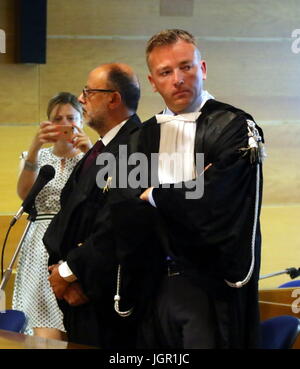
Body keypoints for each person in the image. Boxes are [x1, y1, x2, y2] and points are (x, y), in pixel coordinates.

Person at [135, 29, 266, 348]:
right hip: (152, 288)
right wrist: (189, 187)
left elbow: (214, 203)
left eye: (186, 67)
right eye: (166, 72)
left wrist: (155, 193)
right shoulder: (144, 135)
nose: (177, 79)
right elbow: (126, 205)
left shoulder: (235, 126)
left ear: (203, 68)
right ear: (153, 82)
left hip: (212, 288)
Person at [42, 63, 142, 348]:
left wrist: (75, 276)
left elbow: (116, 227)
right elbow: (68, 216)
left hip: (104, 298)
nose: (81, 99)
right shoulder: (101, 149)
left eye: (88, 92)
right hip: (76, 295)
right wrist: (60, 273)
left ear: (113, 98)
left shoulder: (136, 148)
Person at [12, 92, 92, 340]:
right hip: (38, 246)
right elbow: (25, 196)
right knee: (43, 335)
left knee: (79, 328)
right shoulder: (35, 157)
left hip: (75, 244)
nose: (65, 124)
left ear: (82, 119)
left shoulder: (92, 157)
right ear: (47, 123)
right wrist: (35, 147)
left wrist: (90, 152)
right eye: (58, 118)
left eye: (71, 117)